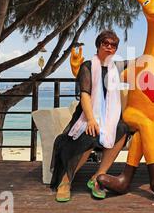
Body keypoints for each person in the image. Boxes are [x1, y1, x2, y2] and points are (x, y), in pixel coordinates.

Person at [50, 30, 130, 202]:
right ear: (99, 45)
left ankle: (97, 178)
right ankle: (65, 181)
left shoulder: (116, 67)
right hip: (87, 115)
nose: (109, 47)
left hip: (109, 117)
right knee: (89, 135)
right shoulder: (87, 66)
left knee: (122, 129)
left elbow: (140, 61)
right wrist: (92, 119)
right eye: (105, 43)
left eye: (113, 45)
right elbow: (85, 94)